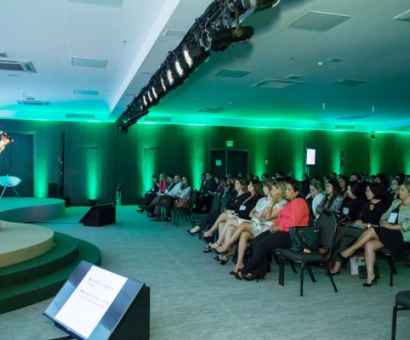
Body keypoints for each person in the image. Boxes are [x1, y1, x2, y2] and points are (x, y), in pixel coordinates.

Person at [341, 183, 410, 286]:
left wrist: (392, 227)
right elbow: (384, 216)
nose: (399, 192)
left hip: (402, 237)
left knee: (372, 230)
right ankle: (370, 276)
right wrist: (384, 223)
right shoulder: (396, 202)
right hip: (388, 232)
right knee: (369, 244)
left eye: (402, 190)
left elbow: (408, 224)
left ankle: (351, 250)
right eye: (400, 189)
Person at [238, 180, 310, 280]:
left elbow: (293, 224)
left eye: (289, 190)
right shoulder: (290, 202)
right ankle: (258, 272)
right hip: (282, 230)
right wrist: (275, 225)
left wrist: (278, 227)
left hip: (292, 235)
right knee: (255, 242)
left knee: (261, 245)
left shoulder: (299, 202)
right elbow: (282, 218)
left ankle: (245, 270)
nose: (286, 192)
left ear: (296, 192)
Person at [215, 180, 287, 274]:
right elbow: (252, 213)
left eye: (272, 189)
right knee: (244, 234)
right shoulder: (263, 200)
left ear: (279, 191)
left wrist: (269, 206)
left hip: (268, 228)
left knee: (243, 224)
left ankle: (226, 246)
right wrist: (259, 214)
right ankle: (239, 263)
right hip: (259, 224)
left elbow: (267, 217)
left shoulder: (282, 203)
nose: (270, 191)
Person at [329, 182, 390, 275]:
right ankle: (336, 267)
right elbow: (361, 217)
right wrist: (359, 222)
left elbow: (381, 225)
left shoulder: (383, 207)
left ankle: (328, 248)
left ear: (375, 192)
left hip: (373, 232)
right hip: (360, 229)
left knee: (345, 230)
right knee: (345, 239)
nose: (366, 193)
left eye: (368, 191)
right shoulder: (367, 204)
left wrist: (365, 224)